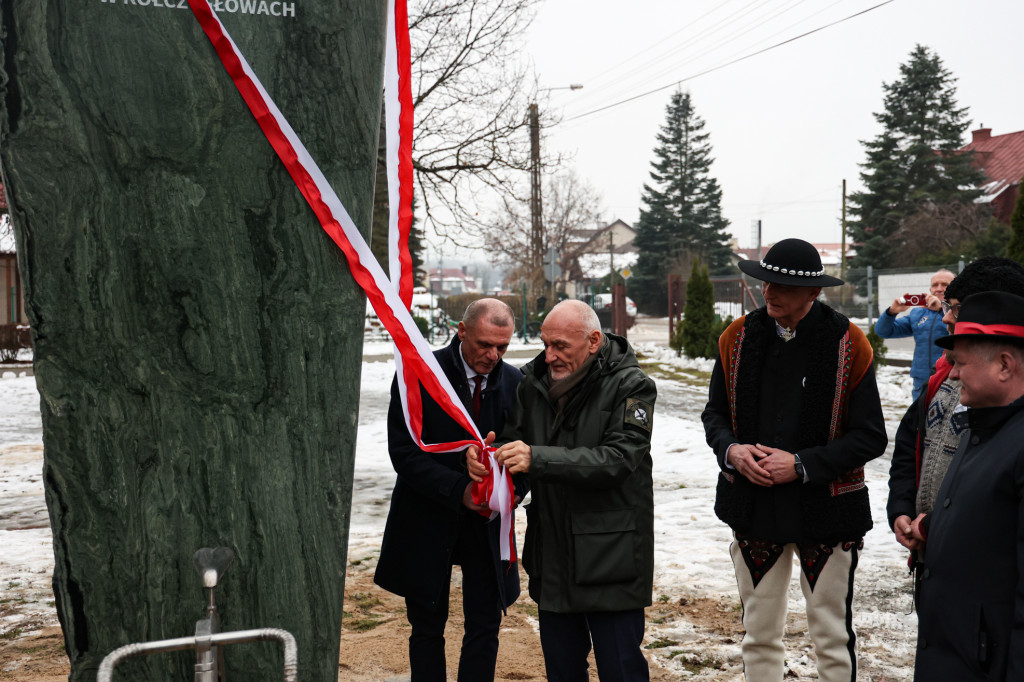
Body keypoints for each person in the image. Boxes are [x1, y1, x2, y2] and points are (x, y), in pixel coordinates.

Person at [701, 238, 887, 681]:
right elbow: (714, 414)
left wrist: (801, 464)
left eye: (782, 285)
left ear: (814, 293)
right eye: (766, 282)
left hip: (826, 510)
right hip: (754, 505)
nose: (770, 292)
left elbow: (871, 436)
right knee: (759, 633)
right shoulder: (737, 338)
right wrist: (732, 450)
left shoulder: (849, 343)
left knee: (831, 636)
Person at [466, 299, 657, 682]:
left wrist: (536, 459)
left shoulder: (633, 385)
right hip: (551, 556)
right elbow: (512, 444)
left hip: (610, 560)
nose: (549, 355)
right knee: (562, 672)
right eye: (545, 343)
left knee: (620, 670)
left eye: (560, 346)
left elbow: (620, 458)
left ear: (592, 341)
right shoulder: (531, 383)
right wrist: (488, 465)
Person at [374, 298, 526, 682]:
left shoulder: (515, 384)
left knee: (485, 626)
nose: (493, 355)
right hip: (427, 517)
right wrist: (460, 485)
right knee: (426, 627)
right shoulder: (419, 373)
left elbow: (525, 455)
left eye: (502, 347)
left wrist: (505, 488)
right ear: (461, 330)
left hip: (486, 526)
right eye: (484, 345)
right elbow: (404, 452)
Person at [911, 290, 1024, 680]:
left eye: (959, 363)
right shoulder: (983, 425)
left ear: (1005, 366)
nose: (952, 373)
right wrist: (933, 528)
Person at [887, 257, 1024, 567]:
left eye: (957, 309)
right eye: (947, 306)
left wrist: (935, 524)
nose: (946, 318)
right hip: (933, 562)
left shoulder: (1008, 395)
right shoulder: (943, 378)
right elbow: (909, 445)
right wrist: (902, 509)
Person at [874, 269, 954, 401]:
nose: (939, 289)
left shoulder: (960, 311)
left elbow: (961, 329)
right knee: (919, 421)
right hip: (921, 382)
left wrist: (942, 309)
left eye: (944, 285)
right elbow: (883, 331)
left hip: (950, 379)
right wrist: (891, 312)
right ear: (930, 289)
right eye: (935, 285)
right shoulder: (918, 313)